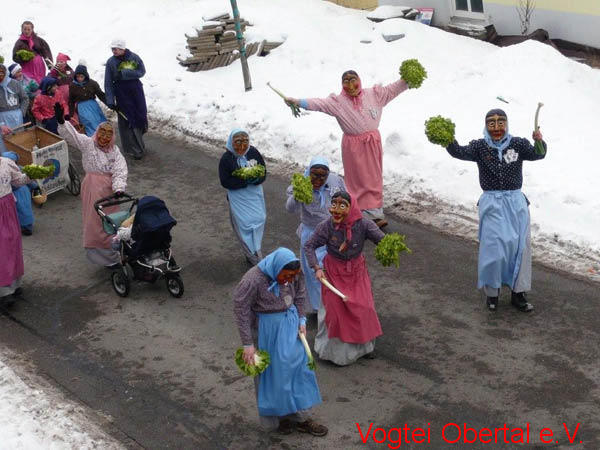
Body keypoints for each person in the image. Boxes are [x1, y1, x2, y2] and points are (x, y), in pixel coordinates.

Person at [445, 108, 547, 312]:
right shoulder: (480, 147)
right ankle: (492, 293)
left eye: (501, 123)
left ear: (507, 125)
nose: (497, 128)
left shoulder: (517, 144)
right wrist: (447, 139)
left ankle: (519, 294)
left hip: (516, 204)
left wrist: (539, 140)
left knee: (519, 248)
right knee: (494, 249)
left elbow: (539, 154)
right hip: (492, 203)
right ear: (486, 126)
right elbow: (459, 151)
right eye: (492, 124)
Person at [285, 70, 409, 228]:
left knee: (373, 177)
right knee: (356, 178)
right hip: (352, 147)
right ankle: (357, 211)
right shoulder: (338, 102)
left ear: (360, 80)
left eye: (353, 80)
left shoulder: (374, 94)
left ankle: (375, 213)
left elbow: (393, 89)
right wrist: (297, 101)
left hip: (372, 143)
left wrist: (407, 80)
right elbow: (319, 104)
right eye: (346, 81)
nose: (350, 85)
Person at [233, 247, 327, 436]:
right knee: (274, 376)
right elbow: (240, 308)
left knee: (299, 371)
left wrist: (301, 319)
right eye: (286, 276)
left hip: (290, 326)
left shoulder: (296, 273)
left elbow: (300, 295)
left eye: (292, 276)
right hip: (266, 331)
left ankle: (302, 418)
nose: (289, 280)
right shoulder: (253, 279)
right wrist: (248, 344)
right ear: (276, 268)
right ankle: (281, 416)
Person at [304, 191, 385, 366]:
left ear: (352, 207)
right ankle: (334, 354)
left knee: (364, 308)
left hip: (356, 273)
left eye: (342, 206)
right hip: (333, 273)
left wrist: (390, 246)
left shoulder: (364, 224)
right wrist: (316, 268)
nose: (336, 210)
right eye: (334, 205)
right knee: (335, 312)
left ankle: (365, 348)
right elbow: (309, 245)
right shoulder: (327, 226)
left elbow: (382, 240)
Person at [54, 103, 128, 267]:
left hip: (110, 192)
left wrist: (119, 188)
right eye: (102, 132)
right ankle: (103, 259)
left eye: (109, 134)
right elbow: (73, 136)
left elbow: (120, 170)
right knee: (95, 222)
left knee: (111, 222)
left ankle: (114, 252)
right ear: (97, 133)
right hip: (92, 189)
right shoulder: (88, 144)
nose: (104, 137)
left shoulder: (114, 151)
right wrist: (61, 122)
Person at [285, 156, 345, 313]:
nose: (318, 179)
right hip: (311, 235)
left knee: (330, 270)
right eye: (314, 174)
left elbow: (347, 201)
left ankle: (331, 304)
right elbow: (290, 208)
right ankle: (319, 307)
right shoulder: (301, 183)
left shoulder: (335, 182)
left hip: (332, 233)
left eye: (322, 175)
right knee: (313, 271)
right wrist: (297, 195)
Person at [219, 129, 267, 265]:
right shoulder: (226, 159)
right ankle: (255, 259)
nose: (241, 147)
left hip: (255, 197)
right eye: (237, 143)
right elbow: (225, 181)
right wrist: (243, 181)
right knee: (243, 226)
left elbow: (263, 171)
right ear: (231, 143)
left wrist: (256, 178)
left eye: (245, 142)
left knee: (258, 221)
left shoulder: (253, 152)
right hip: (238, 201)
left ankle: (254, 251)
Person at [104, 39, 147, 160]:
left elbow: (141, 71)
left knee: (140, 117)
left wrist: (125, 73)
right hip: (122, 94)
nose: (114, 51)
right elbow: (108, 82)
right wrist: (111, 101)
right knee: (127, 120)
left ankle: (139, 145)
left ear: (123, 48)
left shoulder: (134, 57)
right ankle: (134, 149)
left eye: (116, 48)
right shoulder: (110, 62)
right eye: (112, 49)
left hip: (136, 92)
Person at [0, 153, 32, 304]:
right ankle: (4, 291)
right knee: (2, 249)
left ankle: (15, 284)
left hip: (8, 209)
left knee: (13, 244)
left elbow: (18, 180)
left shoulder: (6, 163)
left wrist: (30, 175)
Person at [1, 152, 36, 235]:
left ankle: (26, 227)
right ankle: (26, 227)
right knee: (24, 211)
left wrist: (32, 175)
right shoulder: (13, 166)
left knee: (21, 211)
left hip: (12, 198)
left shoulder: (8, 165)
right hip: (18, 194)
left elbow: (20, 180)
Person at [69, 64, 107, 136]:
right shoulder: (73, 86)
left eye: (81, 77)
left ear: (85, 76)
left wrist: (109, 103)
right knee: (89, 123)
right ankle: (93, 142)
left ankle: (104, 139)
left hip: (93, 106)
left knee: (99, 122)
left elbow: (100, 94)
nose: (79, 79)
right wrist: (70, 113)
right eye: (77, 77)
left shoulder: (92, 83)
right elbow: (71, 101)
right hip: (82, 108)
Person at [0, 64, 29, 153]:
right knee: (5, 143)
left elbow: (25, 98)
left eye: (2, 72)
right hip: (2, 118)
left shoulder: (14, 83)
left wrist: (21, 112)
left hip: (17, 117)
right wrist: (1, 124)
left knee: (19, 141)